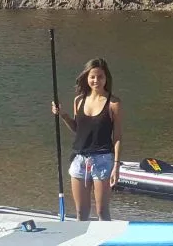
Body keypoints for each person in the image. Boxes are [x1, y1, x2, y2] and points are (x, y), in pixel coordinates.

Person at [52, 58, 123, 222]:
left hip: (103, 160)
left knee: (102, 212)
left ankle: (106, 245)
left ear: (106, 78)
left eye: (100, 77)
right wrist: (62, 114)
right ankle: (80, 245)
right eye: (92, 77)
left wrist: (116, 166)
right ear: (87, 77)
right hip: (79, 160)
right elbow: (78, 130)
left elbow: (118, 136)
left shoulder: (114, 103)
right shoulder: (79, 100)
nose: (96, 80)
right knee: (81, 213)